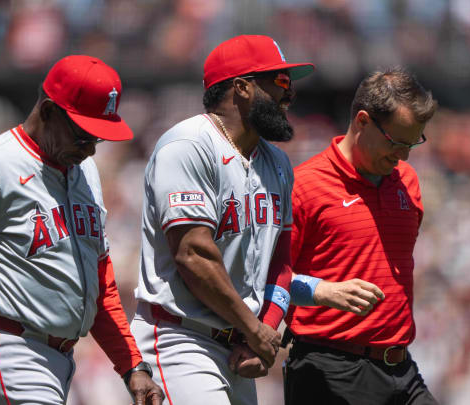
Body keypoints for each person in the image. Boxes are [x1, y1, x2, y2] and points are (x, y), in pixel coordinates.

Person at [0, 55, 164, 405]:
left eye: (98, 139)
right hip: (7, 346)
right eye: (85, 135)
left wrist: (132, 366)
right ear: (50, 111)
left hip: (59, 359)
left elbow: (101, 285)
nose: (91, 149)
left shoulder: (85, 173)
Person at [130, 35, 314, 405]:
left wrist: (265, 329)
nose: (289, 94)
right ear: (242, 87)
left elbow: (280, 263)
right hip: (179, 337)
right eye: (279, 81)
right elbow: (193, 256)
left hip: (236, 346)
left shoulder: (276, 162)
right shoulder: (188, 145)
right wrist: (254, 330)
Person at [282, 67, 439, 405]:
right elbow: (266, 279)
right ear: (363, 121)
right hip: (330, 369)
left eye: (413, 143)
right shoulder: (304, 186)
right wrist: (322, 291)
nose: (404, 156)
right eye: (397, 142)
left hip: (401, 369)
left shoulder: (407, 180)